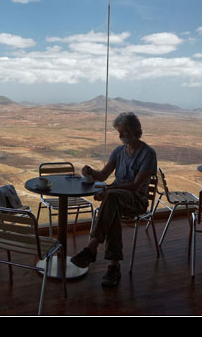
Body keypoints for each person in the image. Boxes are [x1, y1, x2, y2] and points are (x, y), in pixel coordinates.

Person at [70, 111, 157, 287]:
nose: (120, 136)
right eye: (119, 131)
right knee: (113, 207)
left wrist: (109, 189)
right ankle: (113, 267)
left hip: (136, 201)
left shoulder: (148, 153)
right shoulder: (118, 152)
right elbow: (102, 175)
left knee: (111, 199)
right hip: (115, 199)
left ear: (135, 130)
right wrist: (90, 172)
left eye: (123, 131)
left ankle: (92, 248)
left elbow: (135, 186)